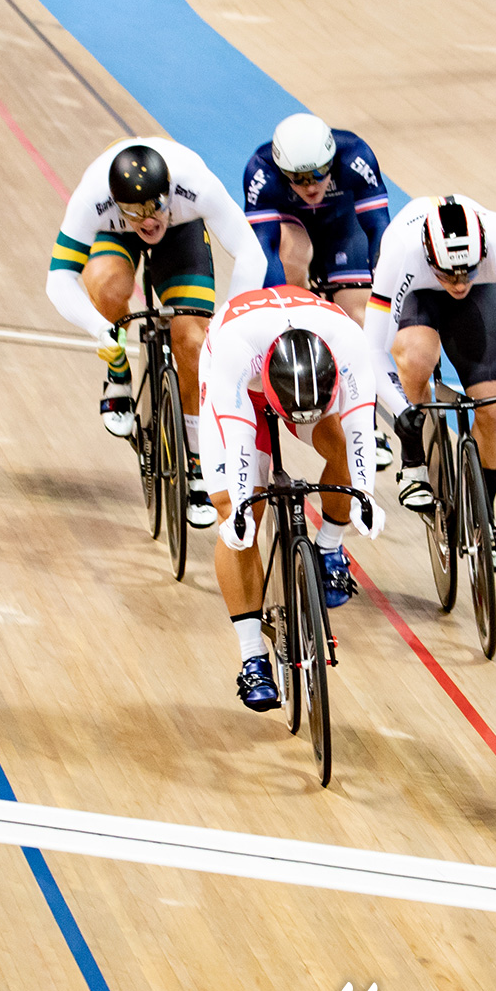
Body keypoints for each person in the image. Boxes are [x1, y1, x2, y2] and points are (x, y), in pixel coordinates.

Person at [46, 138, 272, 528]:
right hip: (114, 236)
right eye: (135, 212)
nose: (148, 220)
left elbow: (252, 254)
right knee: (108, 288)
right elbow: (59, 280)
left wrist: (227, 323)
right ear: (117, 203)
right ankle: (118, 372)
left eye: (155, 208)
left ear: (170, 192)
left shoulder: (195, 184)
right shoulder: (92, 198)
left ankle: (200, 460)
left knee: (195, 344)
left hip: (182, 233)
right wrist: (102, 330)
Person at [200, 286, 380, 709]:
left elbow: (360, 435)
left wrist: (364, 498)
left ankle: (329, 550)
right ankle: (252, 659)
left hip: (307, 383)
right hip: (241, 387)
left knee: (340, 449)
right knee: (240, 513)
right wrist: (243, 506)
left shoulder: (348, 344)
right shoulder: (233, 350)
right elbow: (240, 442)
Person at [368, 196, 496, 572]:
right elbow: (371, 348)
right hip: (416, 294)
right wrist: (401, 409)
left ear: (481, 251)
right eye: (448, 274)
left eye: (466, 271)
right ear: (429, 256)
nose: (458, 282)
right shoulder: (402, 252)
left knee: (495, 408)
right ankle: (414, 461)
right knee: (417, 357)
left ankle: (486, 518)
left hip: (476, 301)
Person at [242, 113, 389, 323]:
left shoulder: (355, 155)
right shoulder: (261, 171)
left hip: (342, 221)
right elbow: (265, 246)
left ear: (332, 159)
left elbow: (379, 225)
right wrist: (280, 310)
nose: (310, 186)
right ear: (281, 170)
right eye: (298, 178)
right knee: (292, 256)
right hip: (292, 221)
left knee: (357, 316)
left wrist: (384, 286)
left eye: (319, 172)